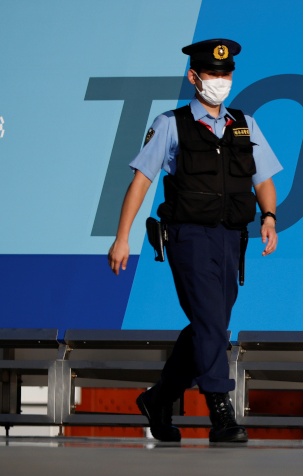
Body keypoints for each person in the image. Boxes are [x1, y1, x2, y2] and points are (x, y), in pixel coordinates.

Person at [107, 39, 281, 445]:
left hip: (230, 238)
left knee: (213, 324)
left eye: (226, 74)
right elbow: (141, 182)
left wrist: (269, 216)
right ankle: (220, 412)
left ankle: (159, 397)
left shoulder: (245, 123)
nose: (220, 81)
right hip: (188, 237)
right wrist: (122, 238)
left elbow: (264, 179)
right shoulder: (171, 123)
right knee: (209, 322)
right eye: (212, 74)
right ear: (194, 77)